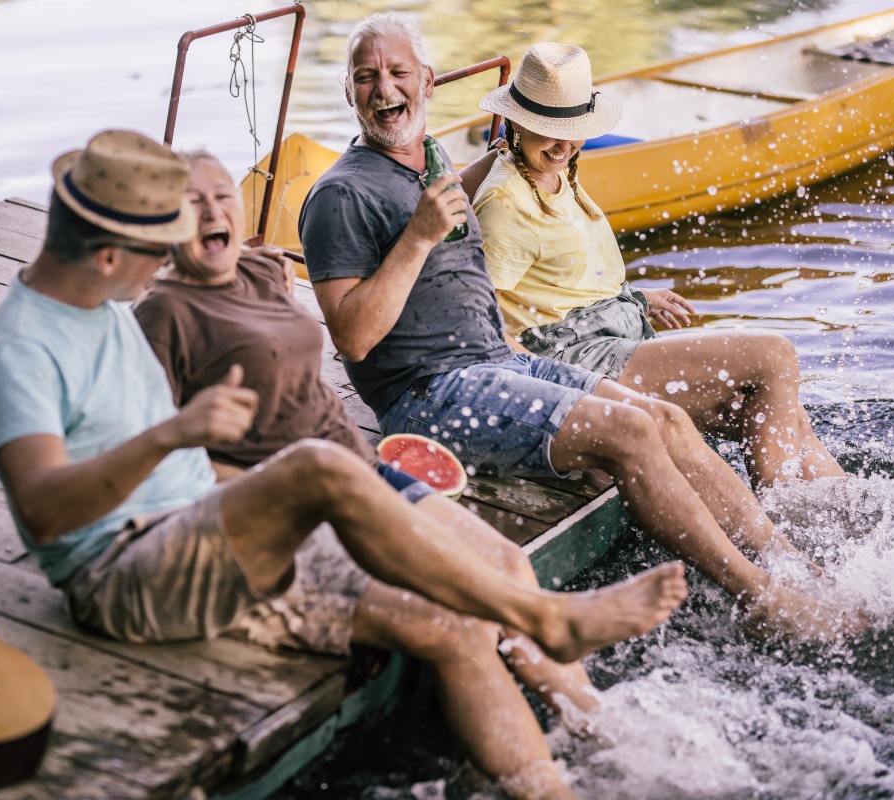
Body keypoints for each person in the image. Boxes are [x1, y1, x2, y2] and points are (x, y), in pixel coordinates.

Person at [0, 129, 689, 800]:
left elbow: (185, 470)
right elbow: (44, 510)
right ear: (107, 255)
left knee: (453, 622)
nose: (166, 262)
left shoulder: (99, 307)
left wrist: (261, 493)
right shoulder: (21, 347)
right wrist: (172, 436)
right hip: (127, 572)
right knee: (315, 465)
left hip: (207, 530)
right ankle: (543, 617)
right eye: (156, 249)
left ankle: (549, 786)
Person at [298, 12, 862, 642]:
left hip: (496, 360)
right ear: (348, 91)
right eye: (366, 77)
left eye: (398, 73)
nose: (384, 89)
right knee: (630, 431)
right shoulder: (340, 196)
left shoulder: (426, 159)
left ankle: (791, 562)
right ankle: (761, 596)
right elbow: (352, 337)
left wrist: (501, 157)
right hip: (429, 393)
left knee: (666, 419)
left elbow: (450, 194)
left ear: (427, 81)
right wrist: (419, 238)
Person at [471, 42, 844, 489]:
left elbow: (560, 279)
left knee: (775, 407)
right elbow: (480, 320)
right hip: (570, 358)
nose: (564, 144)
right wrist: (548, 381)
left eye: (574, 128)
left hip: (606, 335)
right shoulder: (506, 203)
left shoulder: (549, 169)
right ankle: (780, 508)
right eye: (550, 128)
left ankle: (836, 508)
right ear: (517, 121)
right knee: (774, 356)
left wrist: (637, 298)